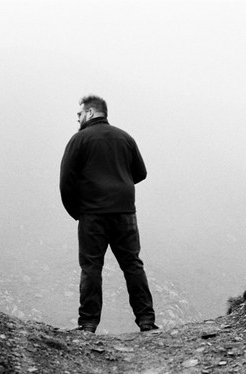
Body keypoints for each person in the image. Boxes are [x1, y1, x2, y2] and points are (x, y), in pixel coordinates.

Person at [59, 95, 158, 333]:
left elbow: (66, 181)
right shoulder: (125, 138)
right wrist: (120, 182)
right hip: (124, 213)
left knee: (91, 267)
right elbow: (140, 173)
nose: (78, 118)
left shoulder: (79, 140)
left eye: (80, 114)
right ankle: (146, 321)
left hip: (92, 215)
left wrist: (78, 211)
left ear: (91, 113)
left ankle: (88, 324)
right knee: (133, 265)